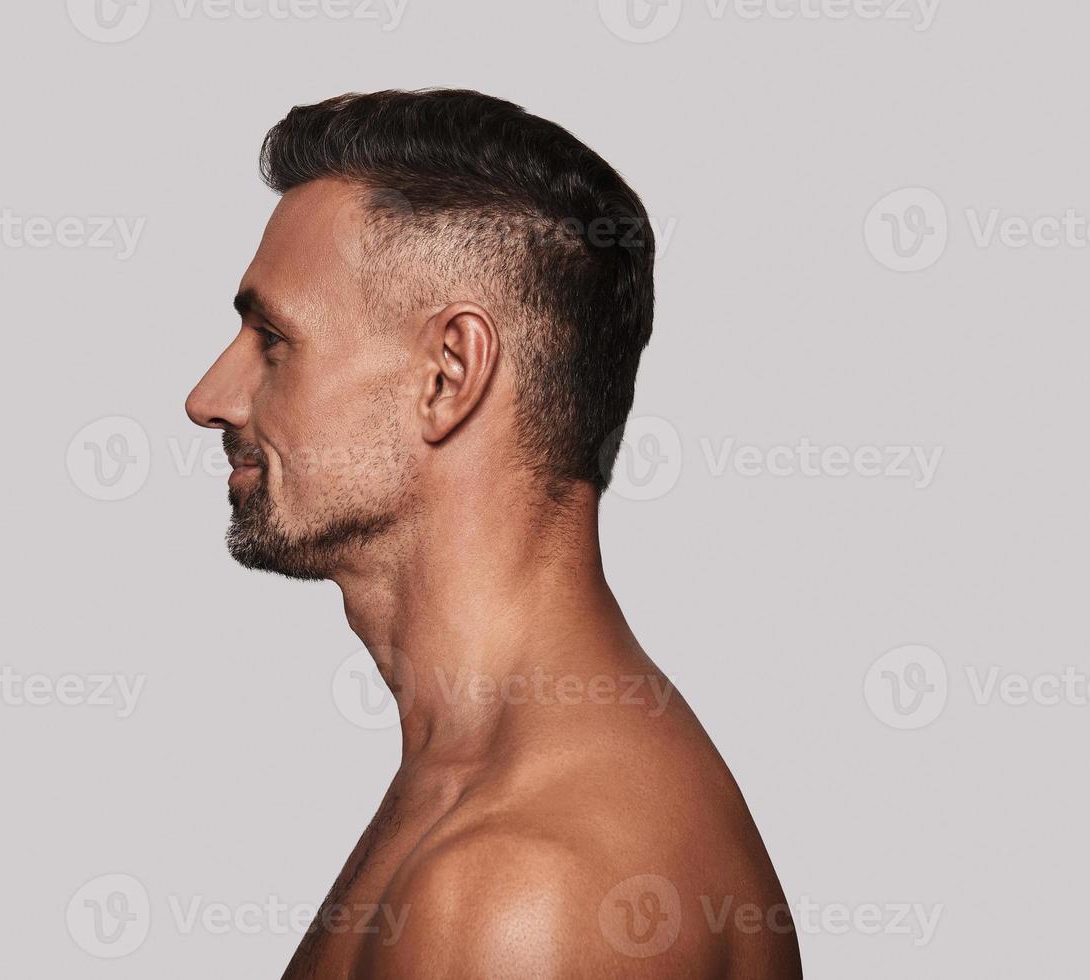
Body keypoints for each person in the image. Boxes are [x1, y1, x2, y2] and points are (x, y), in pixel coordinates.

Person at [185, 88, 801, 979]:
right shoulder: (473, 781)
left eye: (273, 341)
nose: (209, 398)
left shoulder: (523, 893)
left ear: (449, 375)